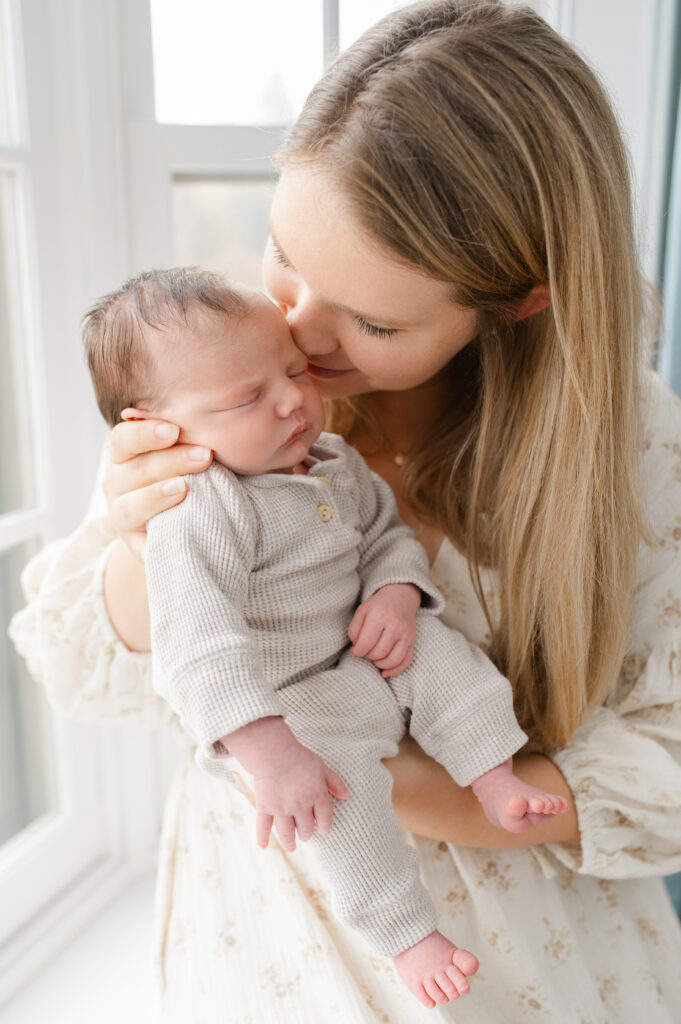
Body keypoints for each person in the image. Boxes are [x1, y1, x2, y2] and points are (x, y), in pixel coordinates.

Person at [9, 1, 681, 1019]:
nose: (298, 333)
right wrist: (146, 528)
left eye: (373, 318)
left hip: (534, 967)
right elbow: (88, 671)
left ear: (518, 301)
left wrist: (431, 777)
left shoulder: (632, 446)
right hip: (268, 951)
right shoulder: (222, 392)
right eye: (284, 253)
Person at [82, 266, 567, 1006]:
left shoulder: (333, 464)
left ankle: (493, 774)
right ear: (157, 428)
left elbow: (386, 537)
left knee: (444, 655)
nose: (291, 400)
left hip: (367, 654)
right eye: (248, 396)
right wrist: (270, 753)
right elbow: (198, 650)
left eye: (292, 370)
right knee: (336, 801)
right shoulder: (199, 509)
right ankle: (404, 933)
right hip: (290, 707)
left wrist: (396, 595)